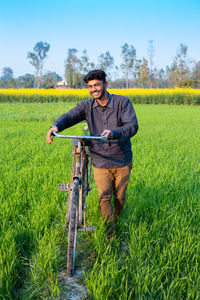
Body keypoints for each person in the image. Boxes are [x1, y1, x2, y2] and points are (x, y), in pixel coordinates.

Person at [46, 70, 138, 237]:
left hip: (121, 159)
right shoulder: (86, 106)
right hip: (100, 160)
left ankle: (116, 219)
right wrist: (56, 126)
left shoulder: (122, 103)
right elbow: (69, 116)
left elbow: (132, 126)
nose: (93, 89)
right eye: (90, 86)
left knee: (120, 197)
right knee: (104, 196)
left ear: (105, 85)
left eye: (96, 85)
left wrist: (114, 133)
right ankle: (109, 231)